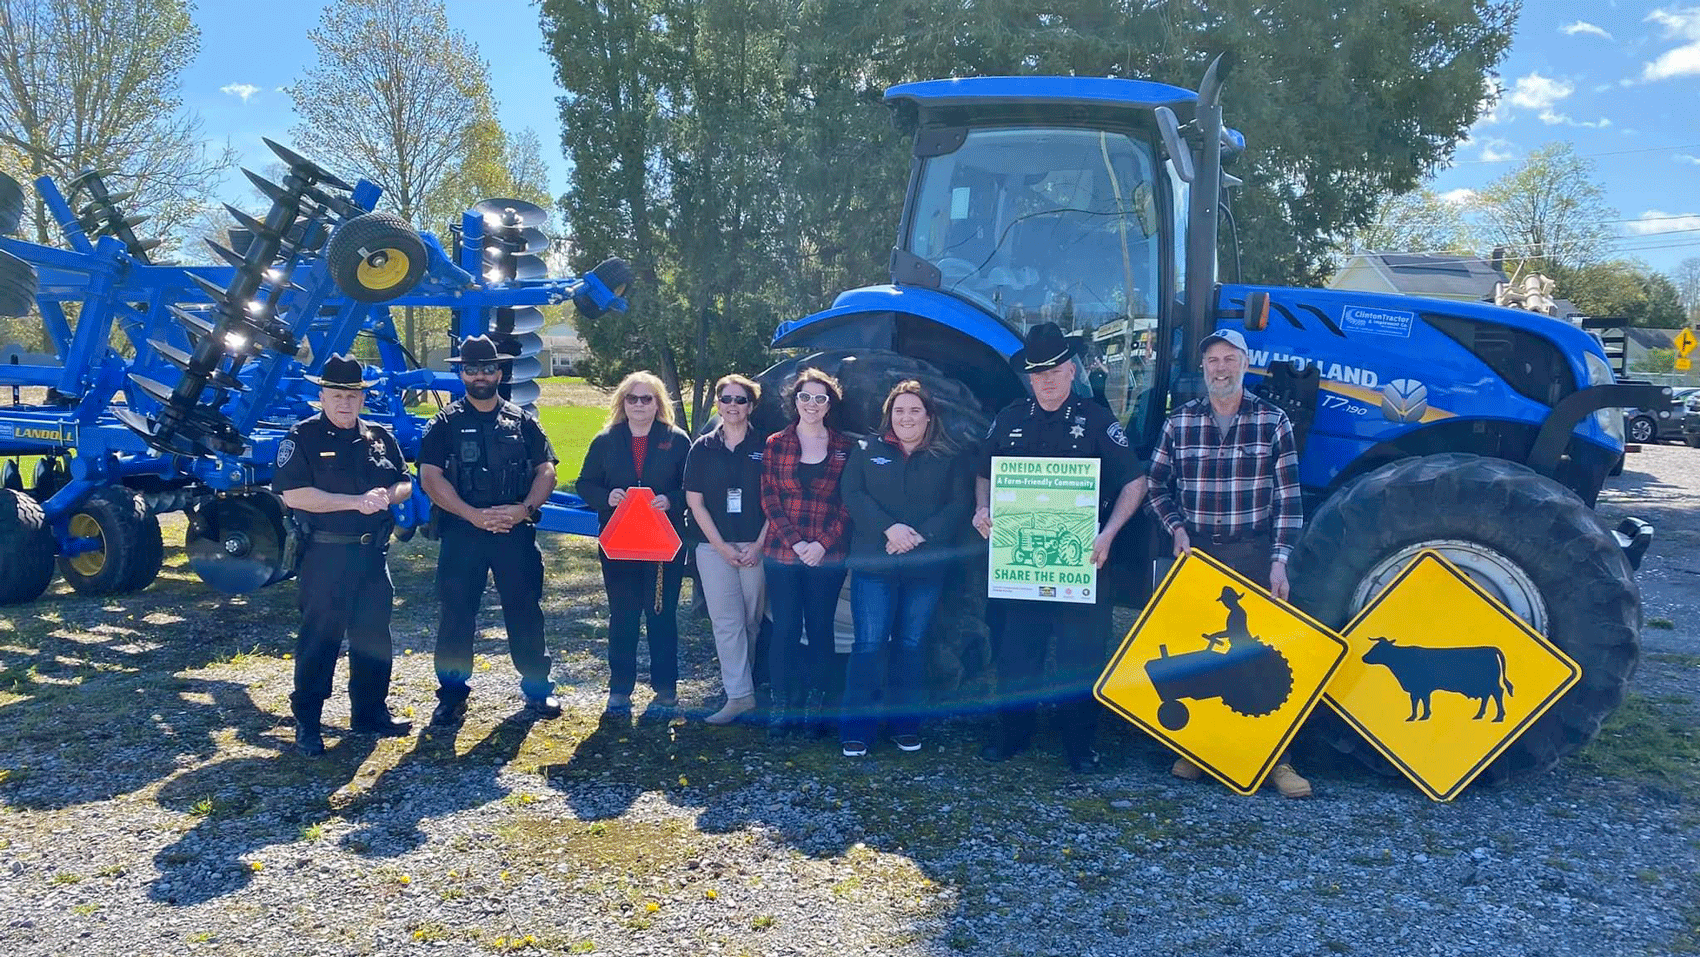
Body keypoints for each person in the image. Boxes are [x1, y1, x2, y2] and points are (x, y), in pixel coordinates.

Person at [972, 321, 1148, 774]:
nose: (1046, 380)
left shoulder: (1097, 420)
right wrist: (981, 508)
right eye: (1038, 373)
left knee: (1080, 658)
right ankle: (1013, 736)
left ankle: (1079, 745)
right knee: (1017, 655)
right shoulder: (1009, 419)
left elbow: (1135, 482)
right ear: (1029, 377)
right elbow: (984, 472)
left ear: (1071, 371)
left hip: (1081, 563)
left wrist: (1109, 533)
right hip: (1022, 565)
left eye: (1054, 371)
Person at [1145, 326, 1311, 799]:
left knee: (1261, 658)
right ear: (1203, 368)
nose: (1221, 368)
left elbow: (1289, 499)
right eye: (1213, 360)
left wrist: (1279, 561)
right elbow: (1155, 486)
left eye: (1229, 359)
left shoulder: (1272, 420)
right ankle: (1197, 750)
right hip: (1196, 553)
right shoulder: (1180, 421)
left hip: (1251, 552)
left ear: (1245, 363)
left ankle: (1278, 761)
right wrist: (1177, 529)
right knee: (1198, 654)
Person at [418, 335, 562, 726]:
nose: (479, 375)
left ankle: (538, 690)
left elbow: (546, 470)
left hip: (514, 532)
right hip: (463, 533)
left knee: (525, 611)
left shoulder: (522, 421)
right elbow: (430, 477)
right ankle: (451, 696)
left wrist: (523, 510)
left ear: (499, 372)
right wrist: (471, 515)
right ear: (461, 374)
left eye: (487, 368)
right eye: (471, 369)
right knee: (456, 615)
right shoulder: (444, 424)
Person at [274, 354, 415, 756]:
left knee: (373, 637)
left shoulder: (379, 437)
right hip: (326, 556)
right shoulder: (302, 437)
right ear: (321, 396)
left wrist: (387, 495)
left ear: (362, 399)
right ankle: (308, 722)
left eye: (352, 396)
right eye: (336, 395)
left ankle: (370, 714)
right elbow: (294, 495)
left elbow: (404, 482)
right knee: (320, 640)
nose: (344, 403)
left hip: (372, 555)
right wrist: (354, 502)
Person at [837, 380, 973, 757]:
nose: (906, 417)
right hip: (874, 564)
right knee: (869, 644)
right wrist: (889, 528)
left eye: (914, 410)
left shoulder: (949, 456)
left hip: (923, 567)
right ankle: (857, 729)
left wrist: (920, 535)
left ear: (929, 416)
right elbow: (852, 494)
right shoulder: (867, 450)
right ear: (889, 415)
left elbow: (959, 503)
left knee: (911, 645)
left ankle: (905, 726)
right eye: (899, 410)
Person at [576, 371, 691, 720]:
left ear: (658, 403)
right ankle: (620, 689)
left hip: (663, 544)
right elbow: (585, 484)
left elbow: (693, 488)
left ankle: (665, 687)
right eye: (632, 398)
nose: (639, 405)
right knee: (623, 616)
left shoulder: (677, 440)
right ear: (622, 403)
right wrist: (605, 497)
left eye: (646, 398)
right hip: (619, 544)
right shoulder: (605, 440)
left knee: (661, 615)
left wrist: (671, 500)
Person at [760, 368, 853, 738]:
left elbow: (848, 502)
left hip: (827, 556)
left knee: (820, 628)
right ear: (794, 401)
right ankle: (781, 706)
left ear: (829, 405)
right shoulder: (775, 444)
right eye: (805, 397)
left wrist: (821, 545)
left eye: (820, 398)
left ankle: (816, 708)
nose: (811, 404)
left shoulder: (845, 447)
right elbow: (769, 498)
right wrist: (797, 543)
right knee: (784, 628)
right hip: (783, 552)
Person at [683, 374, 769, 725]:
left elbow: (777, 501)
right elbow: (695, 503)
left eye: (741, 399)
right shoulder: (702, 448)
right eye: (727, 399)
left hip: (755, 547)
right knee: (726, 622)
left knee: (751, 622)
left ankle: (745, 686)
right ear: (718, 404)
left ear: (751, 405)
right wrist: (720, 547)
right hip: (713, 548)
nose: (733, 405)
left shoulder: (768, 445)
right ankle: (738, 695)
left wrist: (759, 545)